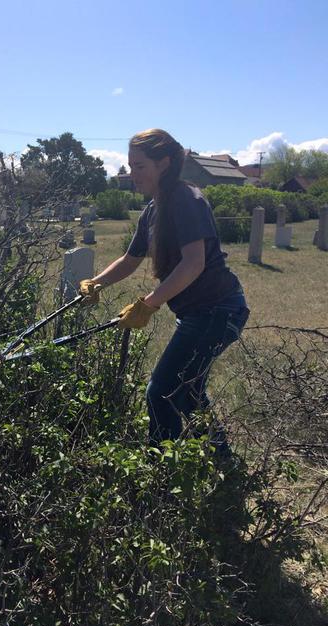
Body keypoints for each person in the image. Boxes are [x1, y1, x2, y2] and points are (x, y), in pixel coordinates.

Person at [79, 128, 250, 452]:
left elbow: (193, 263)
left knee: (162, 390)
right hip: (199, 313)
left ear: (164, 164)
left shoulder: (186, 199)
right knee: (188, 389)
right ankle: (219, 455)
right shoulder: (153, 211)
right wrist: (95, 284)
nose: (132, 175)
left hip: (219, 310)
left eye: (140, 166)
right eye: (131, 166)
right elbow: (130, 260)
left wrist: (148, 305)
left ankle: (161, 469)